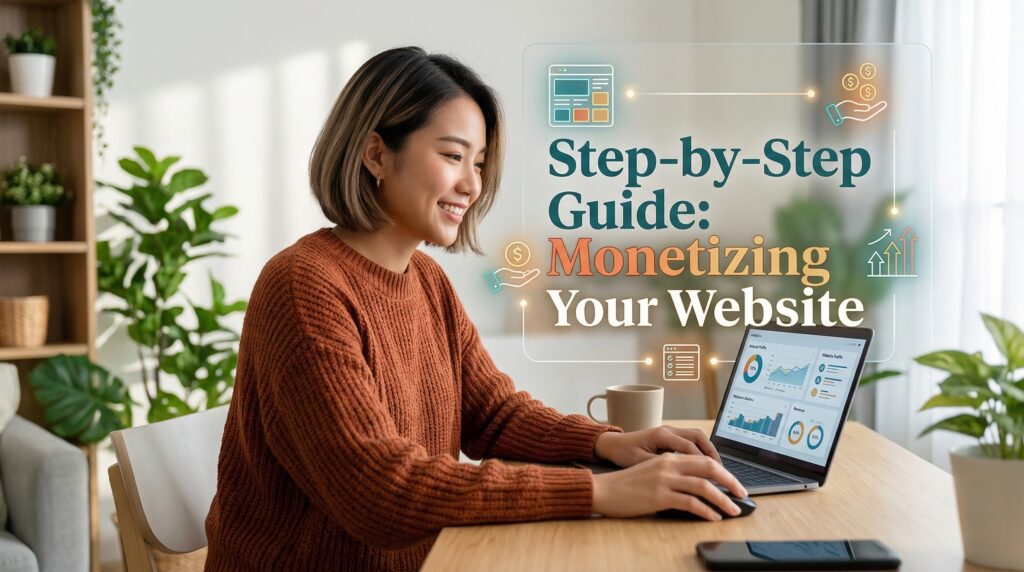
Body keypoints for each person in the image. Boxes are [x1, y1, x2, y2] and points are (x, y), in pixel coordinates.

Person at [204, 46, 746, 572]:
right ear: (375, 154)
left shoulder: (427, 281)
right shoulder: (304, 285)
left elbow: (492, 414)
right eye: (452, 155)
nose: (472, 184)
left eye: (479, 162)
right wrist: (599, 489)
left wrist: (609, 442)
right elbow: (379, 490)